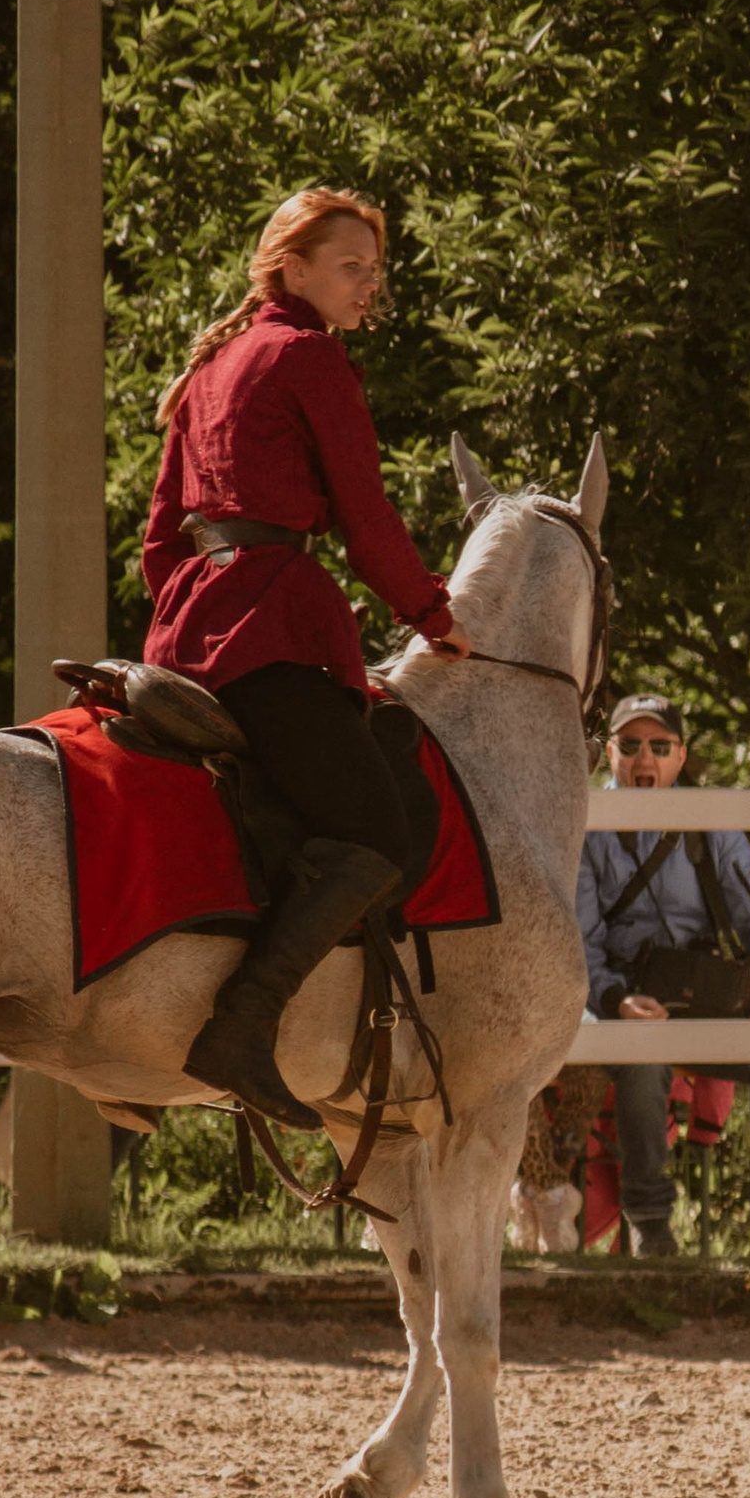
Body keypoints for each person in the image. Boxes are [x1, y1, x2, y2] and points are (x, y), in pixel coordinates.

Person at [138, 187, 469, 1111]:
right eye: (352, 266)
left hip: (192, 628)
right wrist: (435, 617)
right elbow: (365, 516)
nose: (371, 284)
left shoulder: (211, 366)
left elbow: (160, 545)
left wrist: (191, 615)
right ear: (292, 268)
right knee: (374, 830)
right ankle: (240, 1031)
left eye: (376, 267)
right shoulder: (309, 356)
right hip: (271, 626)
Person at [577, 692, 750, 1257]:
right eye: (630, 745)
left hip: (706, 992)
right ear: (609, 753)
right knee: (641, 1056)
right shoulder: (583, 826)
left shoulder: (712, 824)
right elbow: (575, 939)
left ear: (681, 757)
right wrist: (614, 1000)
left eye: (660, 746)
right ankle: (650, 1225)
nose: (643, 760)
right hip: (622, 999)